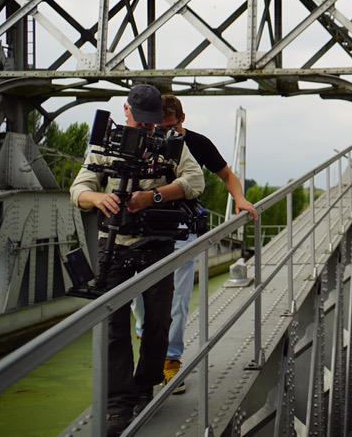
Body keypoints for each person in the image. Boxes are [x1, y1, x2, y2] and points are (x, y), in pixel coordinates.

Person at [70, 84, 205, 436]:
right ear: (126, 111)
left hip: (156, 245)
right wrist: (98, 199)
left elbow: (195, 181)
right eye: (141, 121)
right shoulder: (103, 145)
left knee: (158, 322)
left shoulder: (171, 145)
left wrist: (153, 195)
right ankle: (118, 404)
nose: (147, 128)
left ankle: (145, 386)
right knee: (114, 327)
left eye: (152, 122)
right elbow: (78, 189)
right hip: (114, 245)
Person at [132, 93, 257, 394]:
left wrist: (239, 198)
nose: (163, 130)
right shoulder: (143, 139)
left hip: (181, 230)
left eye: (169, 124)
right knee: (137, 296)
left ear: (181, 120)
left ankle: (169, 362)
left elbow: (227, 175)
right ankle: (151, 349)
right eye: (157, 124)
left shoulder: (196, 143)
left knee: (176, 300)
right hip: (144, 229)